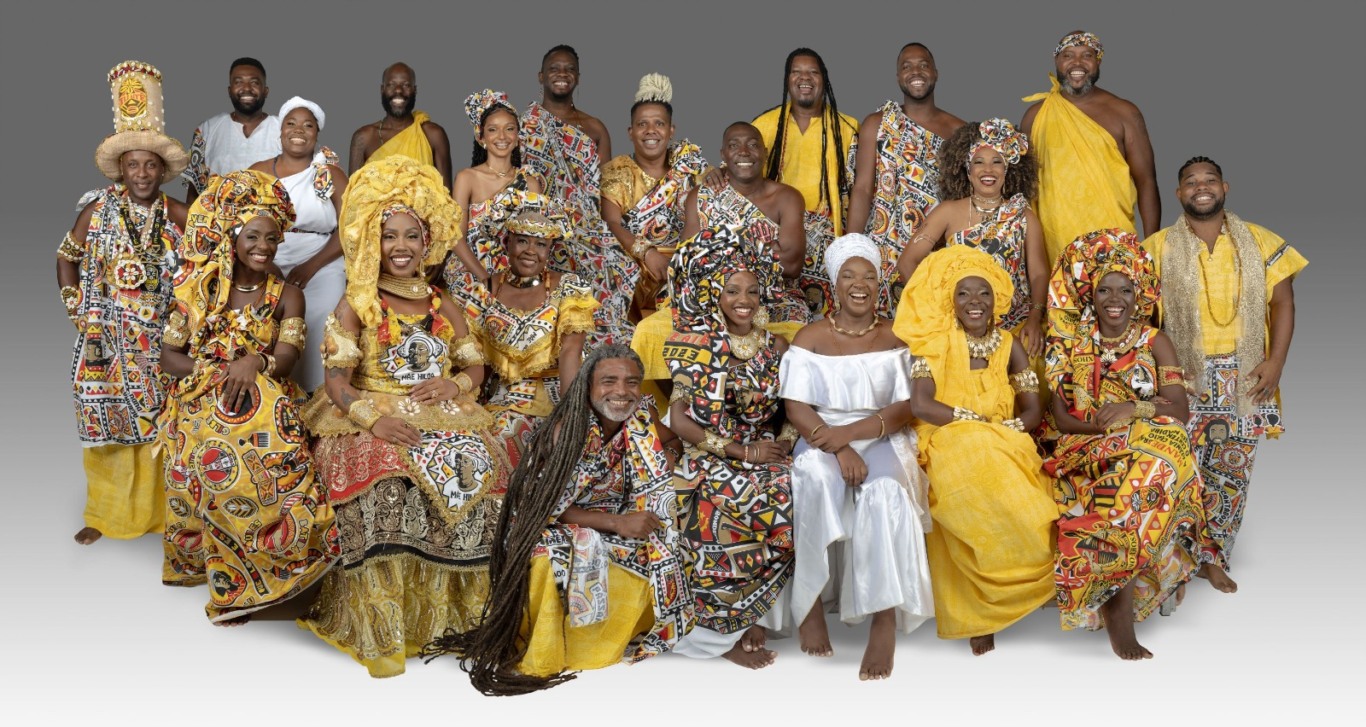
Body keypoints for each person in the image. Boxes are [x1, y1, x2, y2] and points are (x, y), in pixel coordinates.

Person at [297, 156, 507, 678]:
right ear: (374, 239)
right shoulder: (358, 302)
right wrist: (375, 422)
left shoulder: (444, 301)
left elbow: (477, 367)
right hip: (366, 410)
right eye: (390, 235)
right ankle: (385, 628)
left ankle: (455, 622)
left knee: (489, 472)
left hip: (441, 410)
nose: (401, 247)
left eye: (412, 235)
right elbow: (338, 384)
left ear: (428, 241)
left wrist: (453, 384)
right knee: (387, 474)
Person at [425, 345, 692, 696]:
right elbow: (543, 505)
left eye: (631, 382)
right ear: (588, 386)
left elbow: (671, 439)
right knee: (555, 558)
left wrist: (667, 456)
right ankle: (553, 651)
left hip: (620, 511)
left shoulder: (640, 414)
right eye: (608, 381)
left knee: (671, 543)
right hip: (551, 520)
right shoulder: (569, 430)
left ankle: (633, 634)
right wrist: (617, 523)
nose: (621, 391)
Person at [159, 170, 337, 624]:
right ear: (230, 237)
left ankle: (284, 570)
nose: (265, 246)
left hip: (266, 396)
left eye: (273, 238)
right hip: (202, 396)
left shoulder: (287, 295)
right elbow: (168, 357)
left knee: (264, 438)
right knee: (218, 448)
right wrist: (221, 372)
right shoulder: (197, 291)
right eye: (253, 236)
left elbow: (287, 355)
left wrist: (253, 364)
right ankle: (232, 583)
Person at [1043, 230, 1215, 660]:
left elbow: (1178, 408)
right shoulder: (1070, 344)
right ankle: (1119, 614)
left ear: (1140, 295)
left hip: (1142, 439)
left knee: (1161, 450)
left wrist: (1131, 409)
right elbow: (1062, 417)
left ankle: (1117, 596)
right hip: (1082, 447)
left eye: (1125, 290)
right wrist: (1109, 432)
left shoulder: (1155, 340)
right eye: (1104, 289)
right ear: (1091, 294)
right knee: (1144, 468)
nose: (1114, 298)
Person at [1143, 156, 1307, 592]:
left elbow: (1283, 304)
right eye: (1190, 182)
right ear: (1179, 194)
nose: (1201, 187)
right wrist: (1162, 375)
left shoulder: (1259, 239)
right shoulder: (1157, 247)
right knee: (1180, 467)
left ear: (1225, 187)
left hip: (1246, 372)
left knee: (1231, 472)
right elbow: (1143, 317)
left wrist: (1276, 362)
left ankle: (1212, 557)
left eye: (1209, 180)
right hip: (1183, 375)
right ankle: (1174, 558)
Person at [779, 233, 934, 681]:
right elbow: (796, 407)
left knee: (885, 492)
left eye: (868, 274)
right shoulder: (811, 336)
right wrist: (839, 445)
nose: (859, 283)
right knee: (813, 476)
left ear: (879, 283)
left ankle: (883, 619)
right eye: (849, 275)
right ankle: (809, 604)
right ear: (834, 283)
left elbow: (905, 407)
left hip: (881, 433)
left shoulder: (895, 337)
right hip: (822, 435)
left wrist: (852, 435)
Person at [894, 245, 1055, 656]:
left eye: (983, 293)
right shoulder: (935, 345)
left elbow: (1034, 406)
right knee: (970, 483)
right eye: (964, 294)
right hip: (945, 435)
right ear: (951, 301)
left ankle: (1024, 589)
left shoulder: (1009, 343)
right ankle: (981, 615)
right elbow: (921, 405)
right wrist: (973, 421)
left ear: (996, 300)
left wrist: (1015, 428)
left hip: (1004, 437)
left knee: (1027, 499)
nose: (974, 302)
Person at [58, 60, 189, 545]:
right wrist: (80, 314)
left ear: (162, 171)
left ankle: (164, 514)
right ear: (121, 169)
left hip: (159, 341)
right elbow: (66, 259)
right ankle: (106, 516)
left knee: (163, 423)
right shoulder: (97, 209)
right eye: (133, 164)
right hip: (105, 343)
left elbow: (204, 269)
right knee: (108, 422)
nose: (141, 173)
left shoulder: (178, 213)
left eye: (150, 165)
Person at [665, 226, 797, 669]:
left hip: (763, 450)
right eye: (733, 291)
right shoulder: (697, 345)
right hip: (712, 452)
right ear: (714, 295)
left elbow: (791, 410)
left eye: (753, 291)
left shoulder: (776, 345)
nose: (746, 299)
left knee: (787, 492)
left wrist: (780, 445)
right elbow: (679, 420)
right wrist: (742, 454)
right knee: (716, 500)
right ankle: (721, 633)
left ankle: (753, 612)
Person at [631, 122, 808, 386]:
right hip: (707, 301)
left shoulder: (787, 198)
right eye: (734, 145)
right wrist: (761, 251)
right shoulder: (701, 197)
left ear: (765, 152)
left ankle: (775, 419)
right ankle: (678, 415)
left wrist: (717, 247)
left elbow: (792, 265)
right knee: (648, 332)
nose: (744, 151)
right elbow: (688, 261)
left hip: (773, 301)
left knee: (801, 338)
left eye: (752, 144)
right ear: (723, 155)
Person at [896, 119, 1048, 359]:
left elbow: (1039, 274)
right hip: (959, 322)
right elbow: (907, 262)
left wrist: (1035, 318)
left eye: (997, 162)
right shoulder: (948, 211)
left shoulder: (1023, 216)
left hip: (1013, 324)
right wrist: (940, 308)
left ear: (1007, 170)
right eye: (979, 162)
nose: (988, 170)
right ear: (968, 170)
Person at [466, 204, 598, 468]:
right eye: (522, 241)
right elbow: (470, 359)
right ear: (507, 242)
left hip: (561, 399)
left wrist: (570, 415)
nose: (530, 251)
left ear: (549, 251)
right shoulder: (483, 292)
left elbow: (571, 353)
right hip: (501, 406)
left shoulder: (569, 287)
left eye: (540, 245)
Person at [520, 45, 635, 347]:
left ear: (578, 78)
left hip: (587, 230)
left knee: (621, 272)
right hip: (539, 227)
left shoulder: (594, 128)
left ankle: (599, 362)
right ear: (541, 76)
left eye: (569, 68)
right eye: (555, 68)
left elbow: (607, 192)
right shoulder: (523, 125)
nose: (562, 74)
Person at [1021, 31, 1159, 264]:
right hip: (1053, 244)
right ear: (1057, 61)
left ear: (1098, 62)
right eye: (1068, 55)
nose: (1077, 63)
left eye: (1087, 55)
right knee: (1061, 301)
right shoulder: (1035, 116)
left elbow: (1146, 181)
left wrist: (1151, 247)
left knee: (1116, 299)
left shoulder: (1124, 112)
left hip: (1114, 241)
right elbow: (1022, 188)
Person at [848, 42, 965, 313]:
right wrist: (852, 249)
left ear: (935, 73)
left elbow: (963, 199)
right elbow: (863, 189)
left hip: (933, 249)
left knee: (931, 324)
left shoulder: (958, 130)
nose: (916, 71)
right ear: (898, 77)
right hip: (882, 246)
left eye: (923, 65)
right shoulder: (878, 123)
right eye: (906, 66)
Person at [747, 48, 860, 317]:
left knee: (829, 319)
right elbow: (741, 174)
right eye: (796, 71)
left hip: (829, 236)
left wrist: (852, 242)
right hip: (778, 234)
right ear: (787, 80)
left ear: (824, 78)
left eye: (812, 71)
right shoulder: (765, 124)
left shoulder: (847, 127)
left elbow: (861, 190)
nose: (804, 77)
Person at [249, 97, 348, 392]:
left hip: (322, 260)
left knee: (324, 316)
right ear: (280, 131)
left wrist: (310, 266)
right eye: (291, 124)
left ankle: (318, 397)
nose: (299, 130)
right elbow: (241, 224)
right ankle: (271, 397)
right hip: (266, 258)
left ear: (317, 134)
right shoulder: (258, 171)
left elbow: (350, 227)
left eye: (308, 125)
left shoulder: (330, 174)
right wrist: (268, 264)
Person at [600, 73, 707, 321]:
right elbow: (610, 224)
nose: (651, 131)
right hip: (635, 266)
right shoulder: (617, 171)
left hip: (684, 266)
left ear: (671, 130)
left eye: (659, 124)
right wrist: (647, 253)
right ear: (630, 132)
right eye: (642, 124)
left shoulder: (690, 168)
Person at [443, 89, 544, 295]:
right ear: (481, 137)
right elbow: (455, 238)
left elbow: (534, 240)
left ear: (517, 137)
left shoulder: (530, 183)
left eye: (509, 129)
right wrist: (487, 279)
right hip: (469, 272)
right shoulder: (466, 178)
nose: (502, 137)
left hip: (515, 272)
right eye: (493, 130)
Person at [183, 57, 280, 204]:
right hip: (217, 224)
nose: (246, 88)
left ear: (266, 91)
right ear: (229, 91)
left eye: (254, 82)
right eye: (238, 82)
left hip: (272, 223)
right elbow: (194, 194)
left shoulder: (284, 129)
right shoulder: (206, 131)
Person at [347, 62, 453, 190]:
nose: (398, 90)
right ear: (382, 90)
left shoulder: (433, 134)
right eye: (391, 85)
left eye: (406, 85)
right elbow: (352, 199)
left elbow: (447, 198)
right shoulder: (363, 137)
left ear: (415, 90)